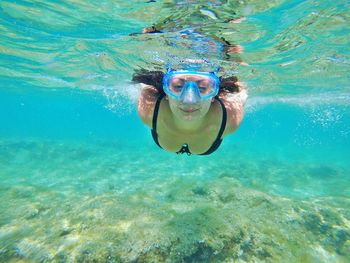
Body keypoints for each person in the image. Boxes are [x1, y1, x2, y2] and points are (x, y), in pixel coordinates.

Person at [132, 67, 247, 155]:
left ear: (213, 95)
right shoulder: (148, 109)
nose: (190, 100)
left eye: (202, 88)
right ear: (166, 91)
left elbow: (241, 90)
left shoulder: (231, 119)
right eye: (178, 86)